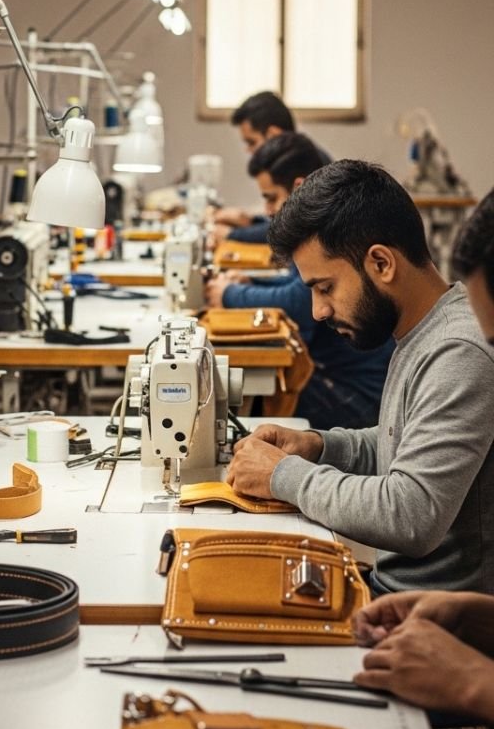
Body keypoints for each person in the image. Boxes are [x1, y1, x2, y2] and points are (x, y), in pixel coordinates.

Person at [226, 160, 494, 596]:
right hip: (395, 595)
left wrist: (285, 476)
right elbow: (404, 447)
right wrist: (320, 446)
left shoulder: (457, 349)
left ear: (382, 263)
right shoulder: (422, 330)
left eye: (325, 287)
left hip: (429, 620)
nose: (318, 311)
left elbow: (412, 514)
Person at [352, 188, 494, 709]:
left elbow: (410, 515)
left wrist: (474, 681)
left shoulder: (462, 349)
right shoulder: (432, 334)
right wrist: (468, 613)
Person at [205, 133, 392, 429]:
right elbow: (301, 289)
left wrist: (231, 294)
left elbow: (300, 302)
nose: (266, 211)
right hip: (347, 379)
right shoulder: (317, 230)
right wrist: (248, 283)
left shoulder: (325, 233)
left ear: (298, 188)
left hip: (358, 395)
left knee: (243, 408)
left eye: (271, 198)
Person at [214, 91, 331, 244]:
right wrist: (251, 221)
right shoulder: (306, 157)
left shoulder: (316, 171)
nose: (249, 151)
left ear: (273, 134)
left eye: (251, 142)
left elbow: (289, 229)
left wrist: (234, 234)